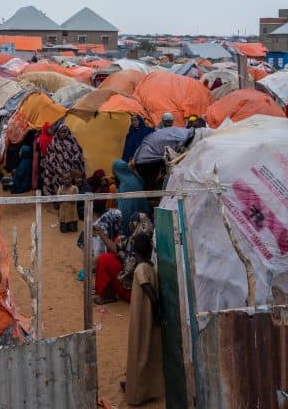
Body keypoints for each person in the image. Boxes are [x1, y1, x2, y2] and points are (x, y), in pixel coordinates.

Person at [124, 233, 163, 406]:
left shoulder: (140, 270)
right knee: (146, 352)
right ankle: (140, 387)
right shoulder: (151, 267)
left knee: (137, 351)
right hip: (147, 317)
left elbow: (152, 295)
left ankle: (136, 395)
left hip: (142, 317)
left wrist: (155, 312)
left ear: (135, 251)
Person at [92, 212, 154, 304]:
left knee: (104, 259)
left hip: (132, 292)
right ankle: (108, 292)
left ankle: (107, 296)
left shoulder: (138, 242)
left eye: (132, 223)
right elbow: (116, 247)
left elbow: (129, 269)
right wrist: (101, 232)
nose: (130, 225)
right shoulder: (146, 239)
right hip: (138, 286)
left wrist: (122, 255)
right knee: (113, 252)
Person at [41, 124, 85, 196]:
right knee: (57, 185)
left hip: (71, 170)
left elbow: (78, 152)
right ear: (58, 132)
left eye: (66, 131)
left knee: (71, 187)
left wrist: (74, 161)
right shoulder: (54, 142)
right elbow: (50, 155)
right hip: (57, 169)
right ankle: (58, 201)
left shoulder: (72, 141)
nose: (64, 133)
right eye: (62, 132)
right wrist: (55, 167)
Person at [112, 159, 150, 227]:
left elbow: (122, 205)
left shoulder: (123, 184)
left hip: (130, 221)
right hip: (143, 220)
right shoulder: (136, 178)